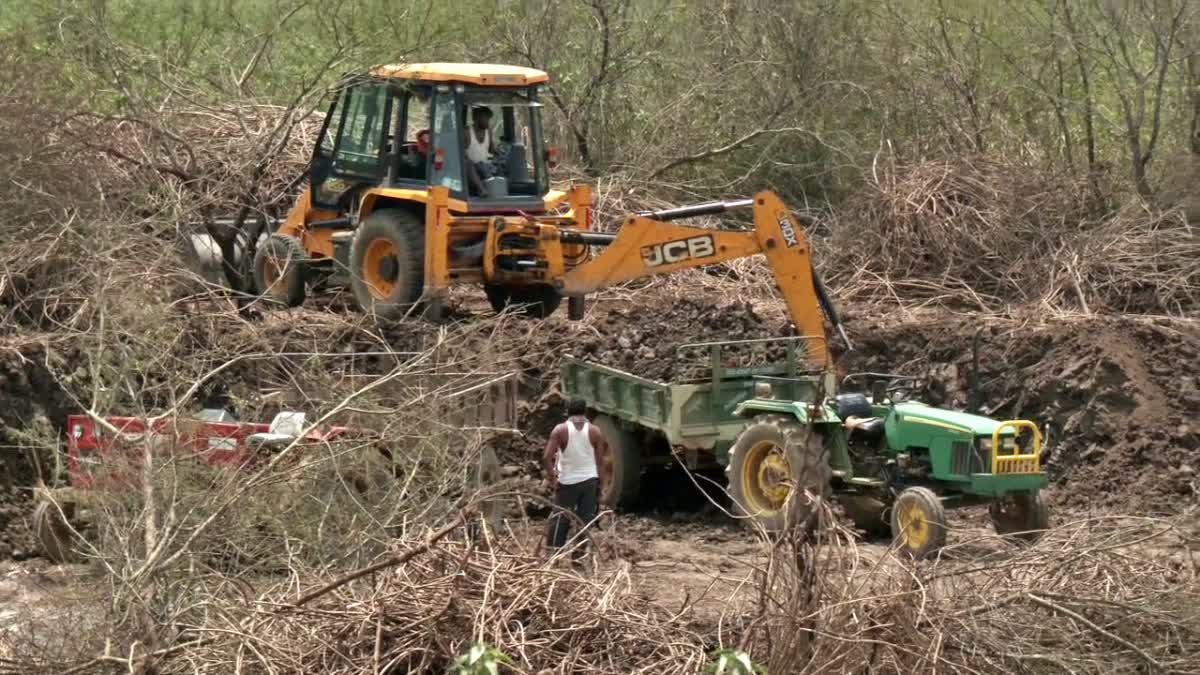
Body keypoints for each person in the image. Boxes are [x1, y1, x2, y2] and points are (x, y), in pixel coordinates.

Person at [543, 398, 607, 563]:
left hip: (567, 483)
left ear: (567, 411)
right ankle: (578, 558)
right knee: (584, 520)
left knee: (560, 519)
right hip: (590, 482)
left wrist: (553, 479)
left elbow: (546, 457)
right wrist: (600, 487)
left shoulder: (560, 430)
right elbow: (600, 462)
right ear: (585, 411)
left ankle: (553, 557)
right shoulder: (595, 432)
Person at [464, 106, 499, 195]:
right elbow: (461, 155)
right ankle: (481, 190)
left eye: (488, 118)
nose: (488, 121)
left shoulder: (489, 132)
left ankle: (496, 188)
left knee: (488, 166)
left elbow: (492, 151)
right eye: (485, 118)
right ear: (476, 118)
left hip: (485, 168)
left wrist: (498, 152)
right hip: (470, 172)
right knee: (468, 164)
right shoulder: (467, 133)